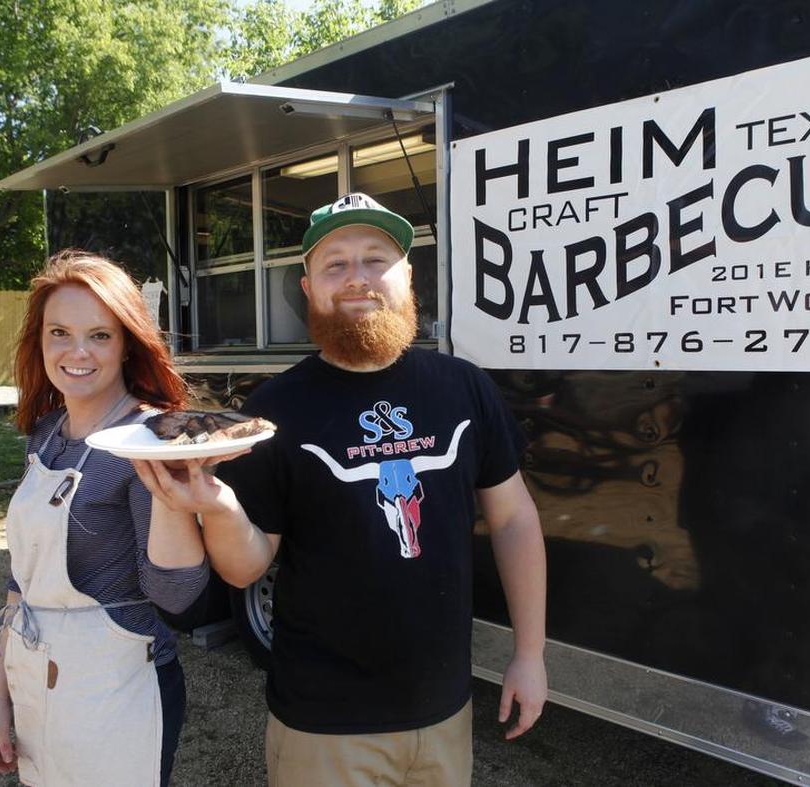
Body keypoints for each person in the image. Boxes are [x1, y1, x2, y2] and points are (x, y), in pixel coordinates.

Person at [136, 193, 548, 785]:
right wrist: (220, 508)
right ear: (308, 288)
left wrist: (530, 655)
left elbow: (514, 521)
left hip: (446, 710)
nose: (357, 278)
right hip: (325, 725)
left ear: (408, 277)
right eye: (335, 264)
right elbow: (245, 568)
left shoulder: (464, 388)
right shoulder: (276, 409)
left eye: (376, 259)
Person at [0, 250, 209, 786]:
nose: (77, 352)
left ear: (128, 343)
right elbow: (21, 583)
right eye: (60, 332)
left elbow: (177, 598)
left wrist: (170, 489)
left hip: (117, 689)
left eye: (100, 335)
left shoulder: (149, 440)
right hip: (36, 679)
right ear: (39, 340)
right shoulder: (47, 434)